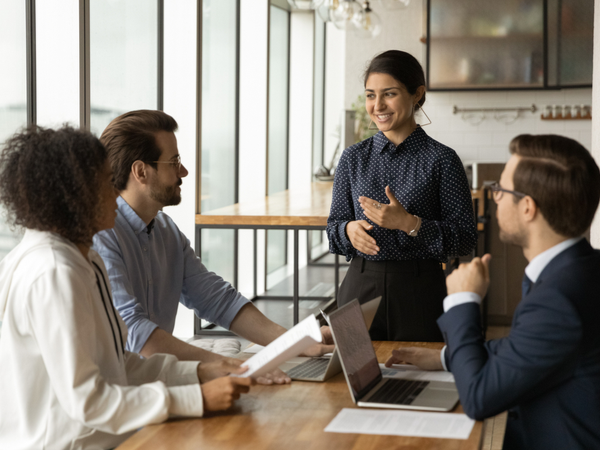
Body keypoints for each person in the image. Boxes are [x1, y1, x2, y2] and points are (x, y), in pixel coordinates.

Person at [0, 126, 254, 450]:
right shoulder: (53, 272)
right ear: (73, 196)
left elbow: (120, 365)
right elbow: (89, 401)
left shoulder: (85, 258)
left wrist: (200, 372)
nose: (116, 191)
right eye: (106, 182)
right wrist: (195, 398)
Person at [385, 135, 600, 449]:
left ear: (527, 207)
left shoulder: (559, 298)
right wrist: (448, 357)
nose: (495, 197)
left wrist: (462, 299)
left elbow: (478, 399)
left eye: (500, 189)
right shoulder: (583, 269)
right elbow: (527, 347)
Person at [92, 110, 333, 382]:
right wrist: (231, 366)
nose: (183, 171)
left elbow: (217, 299)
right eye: (174, 162)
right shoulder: (100, 236)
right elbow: (134, 333)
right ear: (141, 172)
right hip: (119, 393)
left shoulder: (166, 230)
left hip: (159, 381)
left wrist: (296, 342)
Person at [327, 50, 477, 342]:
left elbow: (465, 238)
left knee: (418, 381)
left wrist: (410, 223)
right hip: (359, 285)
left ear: (417, 94)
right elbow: (333, 229)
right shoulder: (352, 158)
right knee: (351, 380)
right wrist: (347, 230)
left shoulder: (442, 160)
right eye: (371, 95)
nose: (378, 105)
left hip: (419, 290)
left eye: (390, 94)